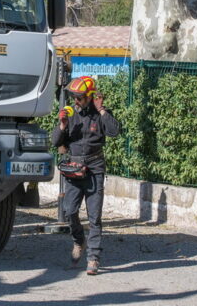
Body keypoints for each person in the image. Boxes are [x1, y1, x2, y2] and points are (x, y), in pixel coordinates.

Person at [52, 75, 120, 275]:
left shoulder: (100, 114)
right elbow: (56, 141)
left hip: (94, 168)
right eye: (74, 97)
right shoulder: (71, 114)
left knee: (94, 216)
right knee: (70, 211)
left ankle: (93, 258)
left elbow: (114, 131)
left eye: (80, 97)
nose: (76, 101)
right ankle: (78, 240)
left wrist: (101, 110)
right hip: (73, 169)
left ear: (90, 96)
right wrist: (62, 125)